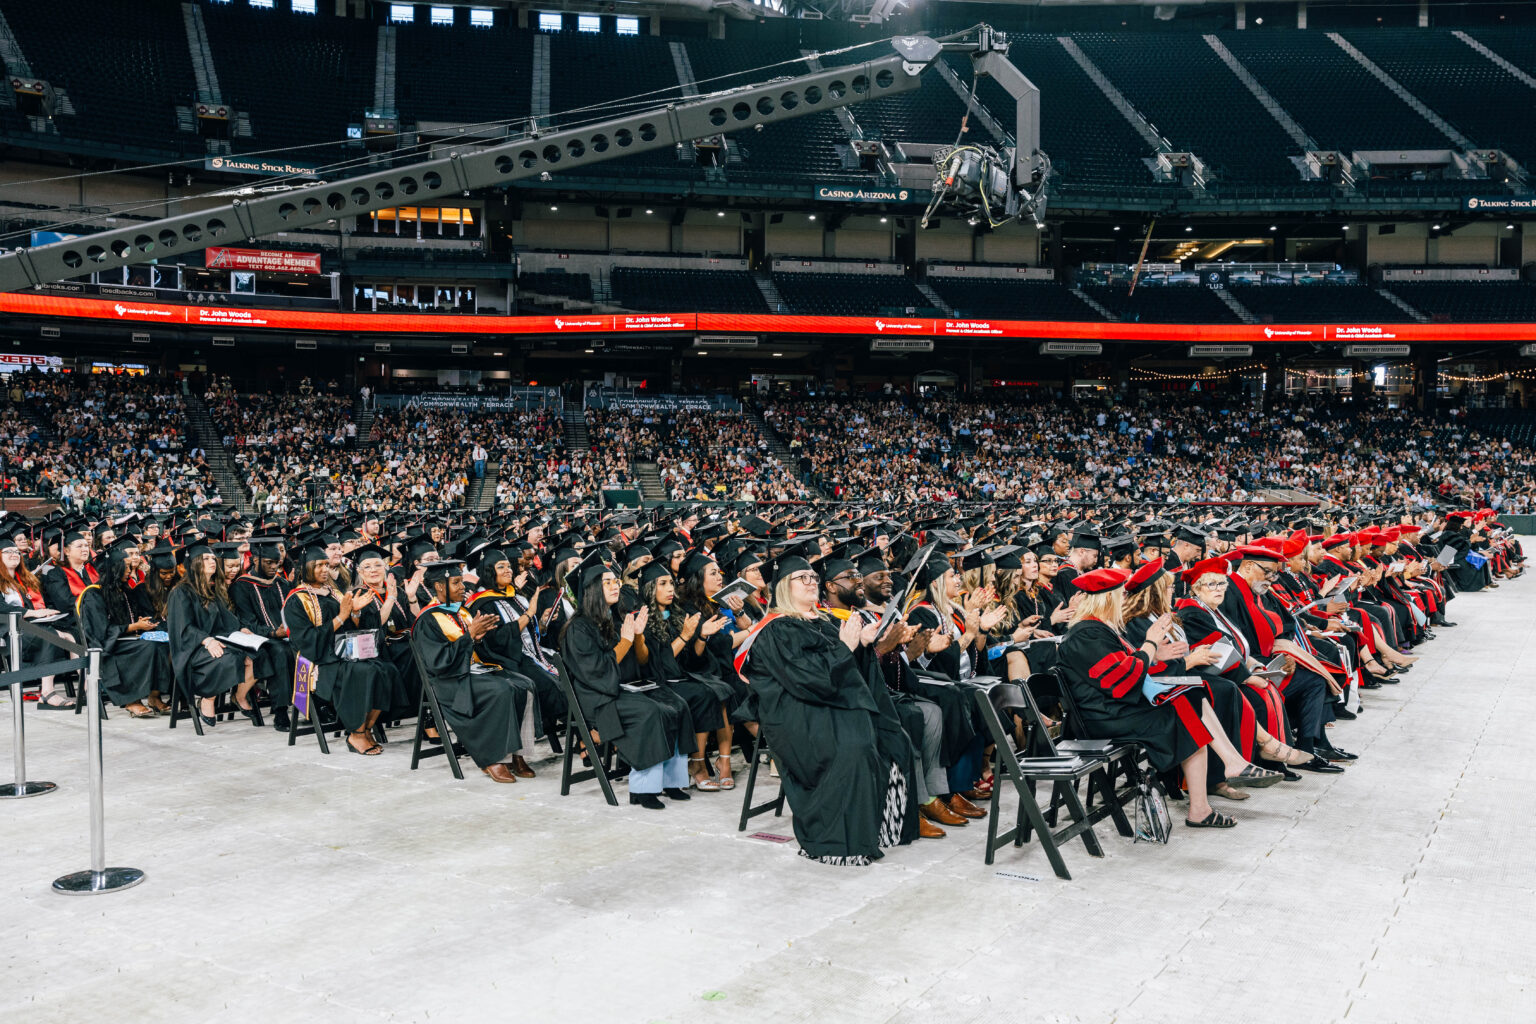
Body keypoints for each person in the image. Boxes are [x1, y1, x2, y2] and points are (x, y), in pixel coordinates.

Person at [1055, 567, 1280, 831]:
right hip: (1101, 718)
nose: (1123, 602)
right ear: (1107, 600)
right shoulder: (1087, 633)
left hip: (1113, 709)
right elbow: (1121, 680)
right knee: (1185, 712)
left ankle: (1223, 777)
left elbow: (1125, 671)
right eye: (1119, 596)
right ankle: (1203, 804)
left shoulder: (1098, 629)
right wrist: (1149, 646)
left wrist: (1156, 654)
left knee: (1193, 695)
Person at [734, 555, 907, 865]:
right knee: (852, 747)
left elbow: (841, 671)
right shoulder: (776, 629)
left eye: (813, 577)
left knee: (891, 735)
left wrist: (865, 645)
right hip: (795, 714)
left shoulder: (822, 620)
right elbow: (808, 681)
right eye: (803, 578)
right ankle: (838, 843)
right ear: (784, 588)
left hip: (824, 705)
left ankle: (877, 831)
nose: (812, 582)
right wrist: (846, 648)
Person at [559, 558, 694, 809]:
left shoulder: (617, 620)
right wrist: (626, 641)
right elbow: (599, 671)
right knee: (650, 713)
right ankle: (643, 789)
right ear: (591, 591)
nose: (614, 586)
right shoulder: (578, 629)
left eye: (615, 581)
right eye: (607, 583)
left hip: (624, 689)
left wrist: (639, 636)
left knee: (676, 704)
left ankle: (671, 781)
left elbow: (642, 662)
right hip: (599, 698)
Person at [410, 559, 532, 783]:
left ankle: (518, 753)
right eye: (456, 582)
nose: (462, 587)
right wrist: (470, 636)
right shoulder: (428, 619)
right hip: (450, 681)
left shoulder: (462, 612)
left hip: (474, 671)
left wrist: (479, 637)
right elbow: (439, 662)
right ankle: (494, 758)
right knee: (501, 690)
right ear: (439, 586)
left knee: (525, 684)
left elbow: (477, 650)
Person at [282, 545, 406, 756]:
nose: (324, 569)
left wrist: (355, 613)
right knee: (364, 672)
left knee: (387, 669)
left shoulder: (334, 592)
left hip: (346, 651)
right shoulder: (296, 600)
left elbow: (353, 627)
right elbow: (307, 640)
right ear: (305, 568)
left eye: (325, 565)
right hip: (321, 658)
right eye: (318, 565)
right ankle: (355, 732)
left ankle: (366, 728)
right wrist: (342, 616)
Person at [166, 542, 260, 728]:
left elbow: (226, 619)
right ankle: (208, 698)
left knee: (256, 655)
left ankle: (239, 695)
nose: (212, 562)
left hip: (216, 640)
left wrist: (240, 629)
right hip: (192, 648)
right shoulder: (181, 592)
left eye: (212, 558)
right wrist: (207, 640)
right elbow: (183, 627)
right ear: (194, 564)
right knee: (228, 657)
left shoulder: (212, 589)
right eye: (206, 558)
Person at [74, 544, 173, 718]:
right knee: (149, 647)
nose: (130, 569)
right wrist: (133, 627)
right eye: (126, 566)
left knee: (162, 645)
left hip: (125, 639)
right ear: (114, 569)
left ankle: (154, 696)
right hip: (107, 646)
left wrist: (139, 622)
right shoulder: (94, 595)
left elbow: (128, 619)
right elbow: (100, 631)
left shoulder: (124, 590)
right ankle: (131, 700)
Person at [228, 537, 298, 731]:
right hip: (257, 638)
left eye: (277, 563)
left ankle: (313, 705)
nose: (274, 567)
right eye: (269, 562)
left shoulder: (282, 584)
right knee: (280, 652)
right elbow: (247, 622)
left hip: (285, 636)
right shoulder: (241, 586)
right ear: (256, 559)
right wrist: (274, 632)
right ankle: (281, 711)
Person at [0, 536, 77, 709]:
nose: (14, 554)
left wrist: (48, 612)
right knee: (51, 636)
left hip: (31, 624)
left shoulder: (25, 579)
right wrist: (33, 612)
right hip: (8, 629)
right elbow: (1, 608)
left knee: (71, 636)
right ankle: (47, 693)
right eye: (7, 552)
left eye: (16, 552)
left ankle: (86, 688)